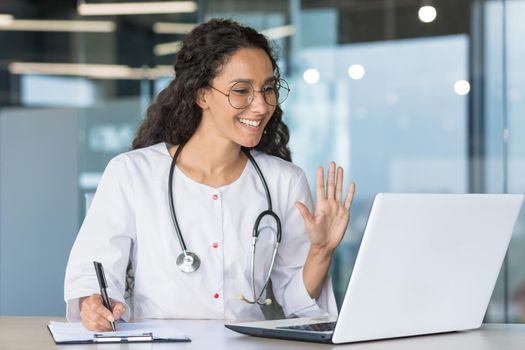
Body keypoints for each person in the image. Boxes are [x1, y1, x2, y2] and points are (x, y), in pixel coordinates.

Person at [64, 18, 356, 332]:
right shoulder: (133, 173)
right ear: (202, 95)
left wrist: (321, 251)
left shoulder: (284, 181)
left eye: (268, 89)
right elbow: (93, 276)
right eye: (241, 90)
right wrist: (93, 304)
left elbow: (297, 304)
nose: (260, 106)